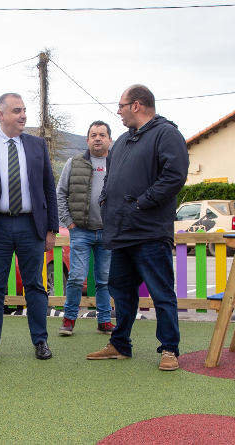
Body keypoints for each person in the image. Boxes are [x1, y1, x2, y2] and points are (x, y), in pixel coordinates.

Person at [85, 85, 188, 371]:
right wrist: (107, 199)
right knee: (121, 291)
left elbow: (175, 176)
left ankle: (169, 349)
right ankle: (120, 344)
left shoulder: (166, 134)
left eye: (121, 105)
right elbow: (111, 177)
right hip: (122, 232)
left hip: (151, 232)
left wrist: (142, 203)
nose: (117, 111)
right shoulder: (121, 142)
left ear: (137, 105)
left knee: (161, 292)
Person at [0, 93, 58, 363]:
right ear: (0, 114)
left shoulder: (37, 145)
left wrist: (52, 227)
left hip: (31, 226)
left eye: (25, 110)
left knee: (35, 286)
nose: (23, 115)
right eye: (17, 110)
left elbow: (48, 188)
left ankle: (41, 342)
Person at [56, 121, 114, 336]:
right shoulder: (74, 162)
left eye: (102, 134)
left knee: (104, 280)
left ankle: (105, 321)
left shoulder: (118, 163)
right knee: (76, 278)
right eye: (93, 135)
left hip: (107, 232)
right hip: (80, 230)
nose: (98, 138)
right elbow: (60, 194)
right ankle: (69, 320)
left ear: (109, 139)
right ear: (87, 139)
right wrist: (69, 223)